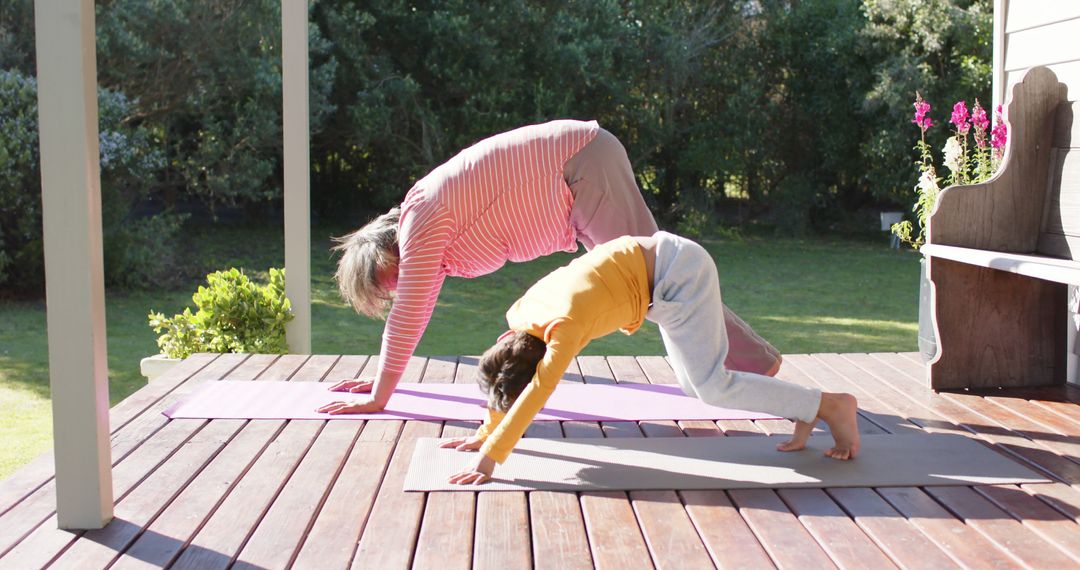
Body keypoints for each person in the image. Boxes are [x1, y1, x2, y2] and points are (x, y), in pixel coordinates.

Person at [318, 120, 781, 415]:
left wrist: (381, 396)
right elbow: (412, 316)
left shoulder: (419, 221)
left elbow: (409, 315)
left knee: (660, 285)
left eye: (388, 281)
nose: (397, 290)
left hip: (583, 167)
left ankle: (750, 368)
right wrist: (382, 378)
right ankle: (748, 365)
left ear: (387, 251)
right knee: (656, 287)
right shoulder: (432, 236)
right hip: (581, 175)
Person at [439, 232, 860, 484]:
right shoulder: (519, 320)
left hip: (679, 273)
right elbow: (506, 379)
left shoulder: (562, 327)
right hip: (661, 278)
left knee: (712, 385)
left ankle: (832, 405)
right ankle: (807, 405)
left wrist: (489, 459)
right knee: (697, 385)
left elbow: (537, 389)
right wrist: (486, 427)